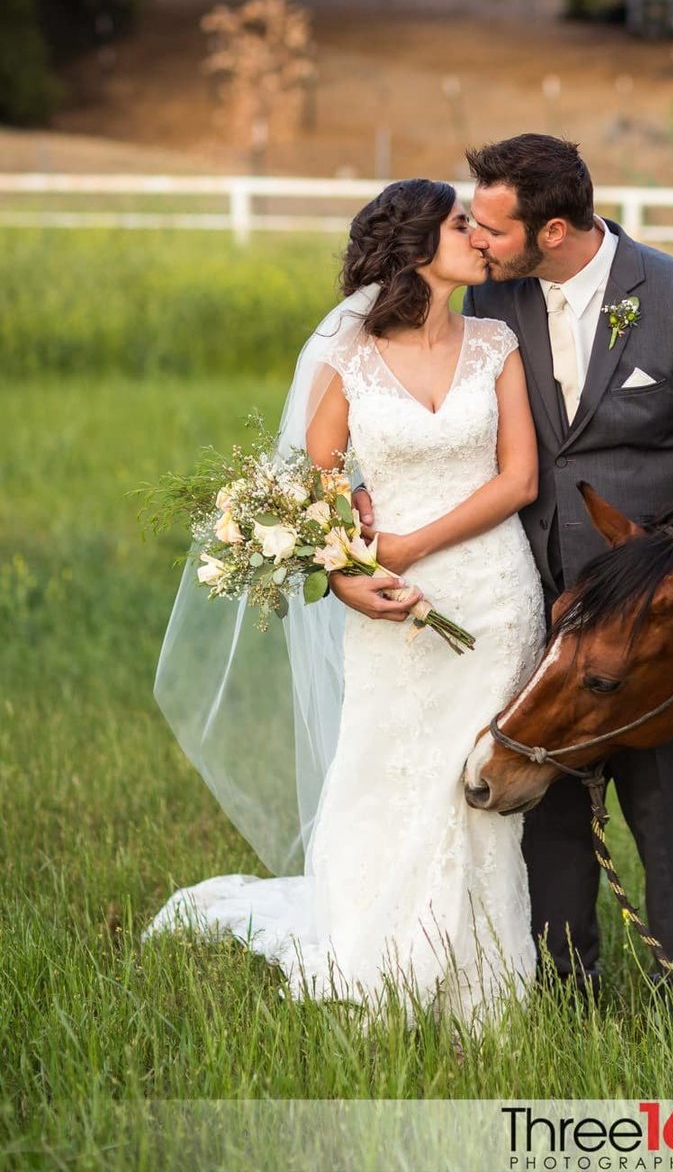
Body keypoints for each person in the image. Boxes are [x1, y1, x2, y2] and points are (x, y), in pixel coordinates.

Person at [358, 136, 673, 1016]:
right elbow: (417, 394)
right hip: (520, 604)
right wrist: (375, 485)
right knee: (544, 803)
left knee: (670, 804)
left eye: (491, 225)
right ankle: (566, 991)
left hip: (648, 624)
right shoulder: (486, 305)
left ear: (552, 229)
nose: (476, 239)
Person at [146, 180, 546, 1026]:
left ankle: (486, 992)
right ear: (414, 250)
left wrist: (404, 544)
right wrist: (349, 575)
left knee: (472, 786)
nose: (479, 236)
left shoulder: (495, 341)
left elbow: (520, 479)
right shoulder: (351, 357)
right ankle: (384, 969)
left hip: (494, 595)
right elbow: (316, 488)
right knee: (387, 774)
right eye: (459, 225)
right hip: (393, 610)